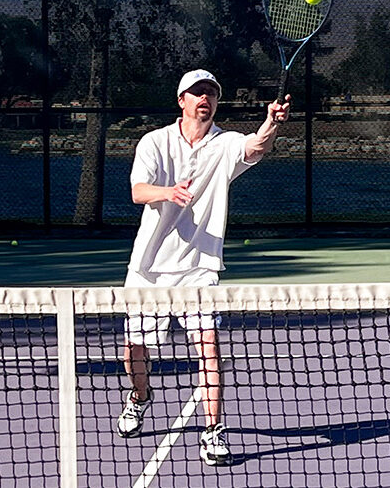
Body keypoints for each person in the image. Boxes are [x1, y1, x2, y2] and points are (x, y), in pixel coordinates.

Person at [117, 69, 290, 466]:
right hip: (149, 268)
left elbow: (255, 148)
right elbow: (137, 191)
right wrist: (169, 192)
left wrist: (271, 123)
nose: (204, 99)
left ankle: (213, 431)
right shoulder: (154, 142)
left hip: (199, 269)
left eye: (211, 93)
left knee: (209, 351)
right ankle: (140, 397)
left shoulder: (225, 143)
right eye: (197, 93)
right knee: (134, 350)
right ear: (181, 100)